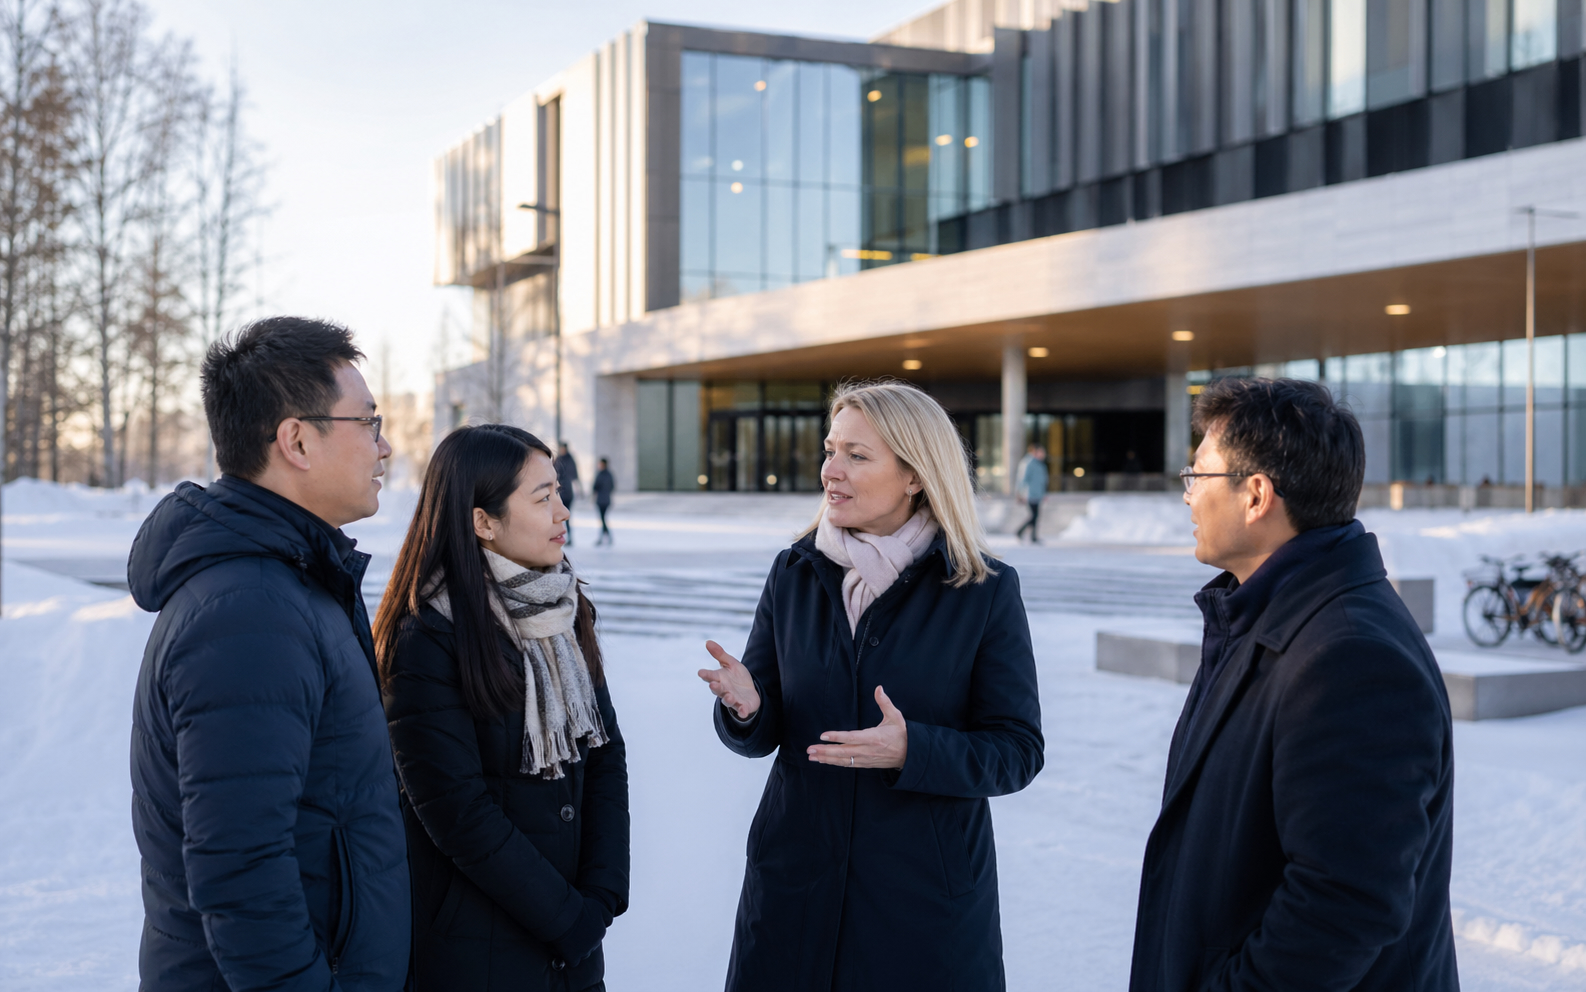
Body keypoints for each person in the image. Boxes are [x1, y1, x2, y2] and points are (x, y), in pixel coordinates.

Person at [697, 381, 1044, 992]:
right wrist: (749, 709)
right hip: (793, 892)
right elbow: (766, 728)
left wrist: (914, 750)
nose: (832, 469)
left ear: (915, 474)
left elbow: (1017, 751)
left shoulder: (983, 591)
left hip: (921, 911)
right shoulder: (795, 572)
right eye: (831, 450)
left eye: (857, 456)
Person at [1129, 377, 1457, 992]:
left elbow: (1342, 908)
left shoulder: (1349, 655)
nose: (1187, 497)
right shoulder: (1262, 615)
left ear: (1256, 495)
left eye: (1197, 477)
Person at [127, 317, 409, 990]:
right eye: (367, 422)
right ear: (297, 441)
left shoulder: (293, 579)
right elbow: (241, 868)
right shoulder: (250, 612)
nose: (385, 445)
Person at [374, 424, 628, 990]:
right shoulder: (427, 635)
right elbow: (456, 810)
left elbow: (605, 752)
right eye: (543, 499)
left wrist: (603, 891)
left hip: (573, 946)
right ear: (482, 521)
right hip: (476, 949)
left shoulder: (565, 607)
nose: (564, 512)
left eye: (559, 492)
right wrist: (566, 916)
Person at [1015, 443, 1048, 544]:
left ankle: (1033, 536)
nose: (1044, 454)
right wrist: (1020, 493)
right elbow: (1023, 479)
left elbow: (1041, 481)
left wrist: (1043, 494)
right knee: (1034, 515)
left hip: (1038, 494)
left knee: (1036, 515)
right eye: (1041, 451)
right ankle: (1020, 532)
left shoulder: (1039, 464)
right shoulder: (1028, 463)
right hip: (1030, 494)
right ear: (1035, 452)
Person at [554, 441, 580, 546]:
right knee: (557, 517)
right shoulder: (558, 459)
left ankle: (569, 537)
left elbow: (575, 476)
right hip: (559, 492)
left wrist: (579, 489)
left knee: (567, 517)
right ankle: (557, 536)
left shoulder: (570, 460)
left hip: (568, 492)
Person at [593, 457, 615, 545]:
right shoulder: (609, 474)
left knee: (602, 519)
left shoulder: (600, 475)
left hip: (601, 500)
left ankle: (606, 537)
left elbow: (595, 486)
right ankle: (605, 537)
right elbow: (612, 486)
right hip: (607, 500)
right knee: (603, 519)